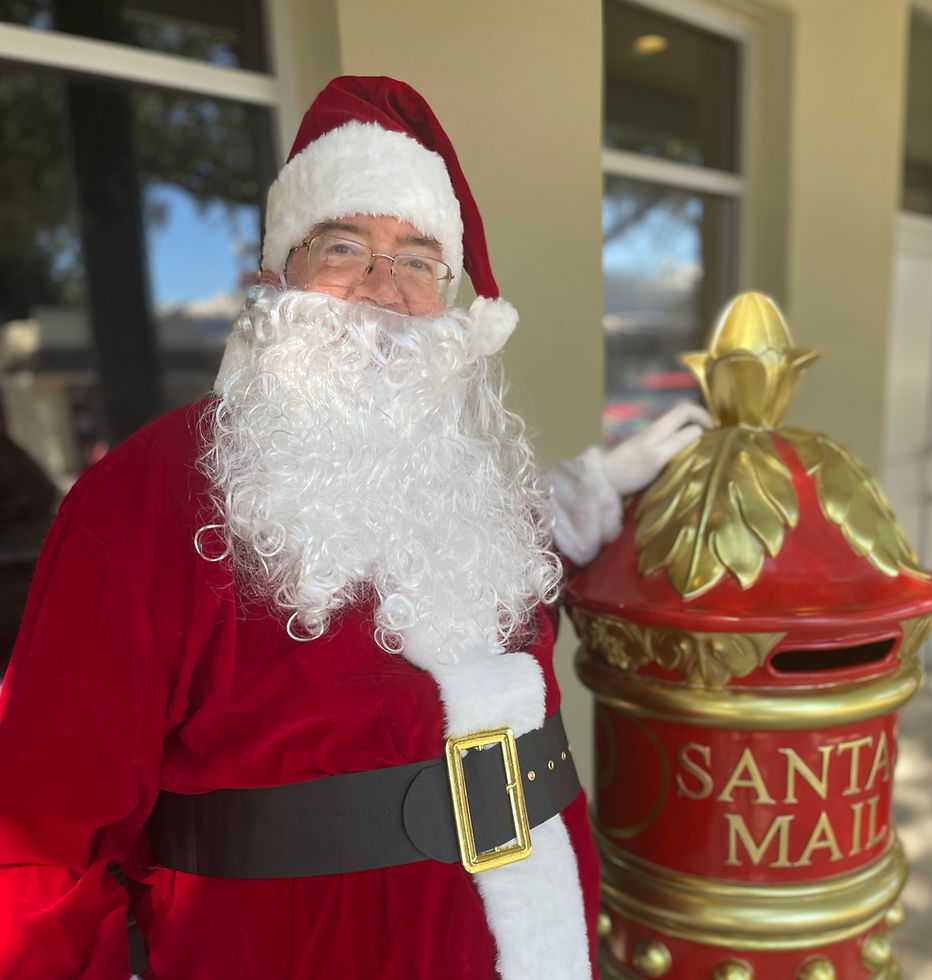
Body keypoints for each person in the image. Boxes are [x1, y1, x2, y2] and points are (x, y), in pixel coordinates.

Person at [0, 76, 709, 980]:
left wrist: (600, 487)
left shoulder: (467, 471)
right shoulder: (142, 498)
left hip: (543, 936)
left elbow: (494, 574)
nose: (383, 287)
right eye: (345, 247)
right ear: (274, 280)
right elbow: (38, 847)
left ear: (450, 304)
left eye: (418, 259)